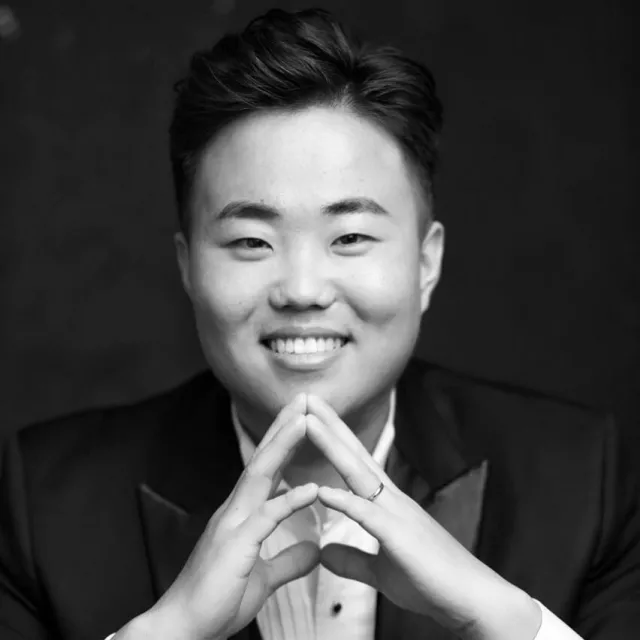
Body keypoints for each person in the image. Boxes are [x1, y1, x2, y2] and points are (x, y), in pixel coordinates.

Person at [1, 7, 639, 640]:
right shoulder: (46, 503)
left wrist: (507, 623)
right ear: (188, 266)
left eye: (351, 236)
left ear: (426, 262)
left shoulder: (583, 479)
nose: (302, 291)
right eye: (251, 242)